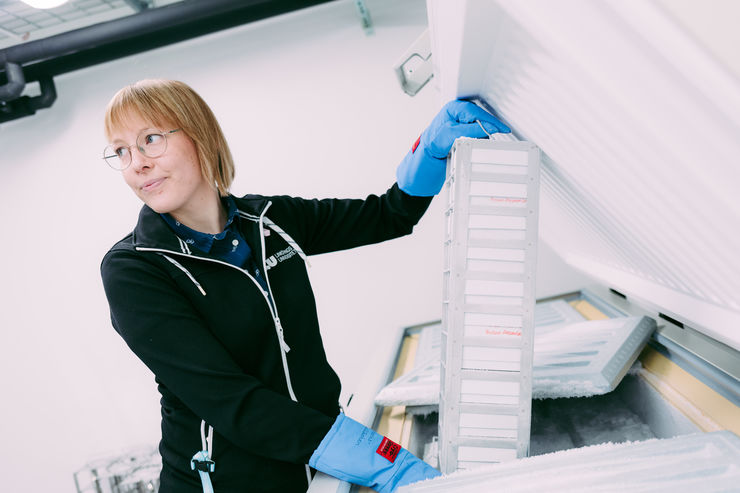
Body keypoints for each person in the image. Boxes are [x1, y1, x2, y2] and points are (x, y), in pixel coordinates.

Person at [100, 79, 510, 493]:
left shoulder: (270, 221)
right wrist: (385, 460)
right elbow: (233, 403)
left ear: (199, 134)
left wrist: (430, 148)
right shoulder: (136, 269)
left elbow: (388, 215)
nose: (136, 163)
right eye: (121, 151)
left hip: (319, 468)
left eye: (150, 139)